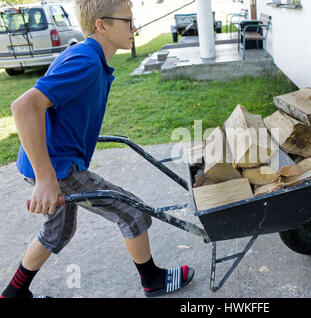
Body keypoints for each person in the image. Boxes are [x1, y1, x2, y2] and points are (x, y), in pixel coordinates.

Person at [1, 0, 194, 298]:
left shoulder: (87, 56)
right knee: (131, 212)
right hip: (56, 166)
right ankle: (153, 280)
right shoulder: (86, 61)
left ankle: (13, 294)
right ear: (102, 25)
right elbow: (24, 106)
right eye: (127, 21)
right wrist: (45, 179)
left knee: (59, 230)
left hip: (50, 160)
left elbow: (57, 107)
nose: (135, 27)